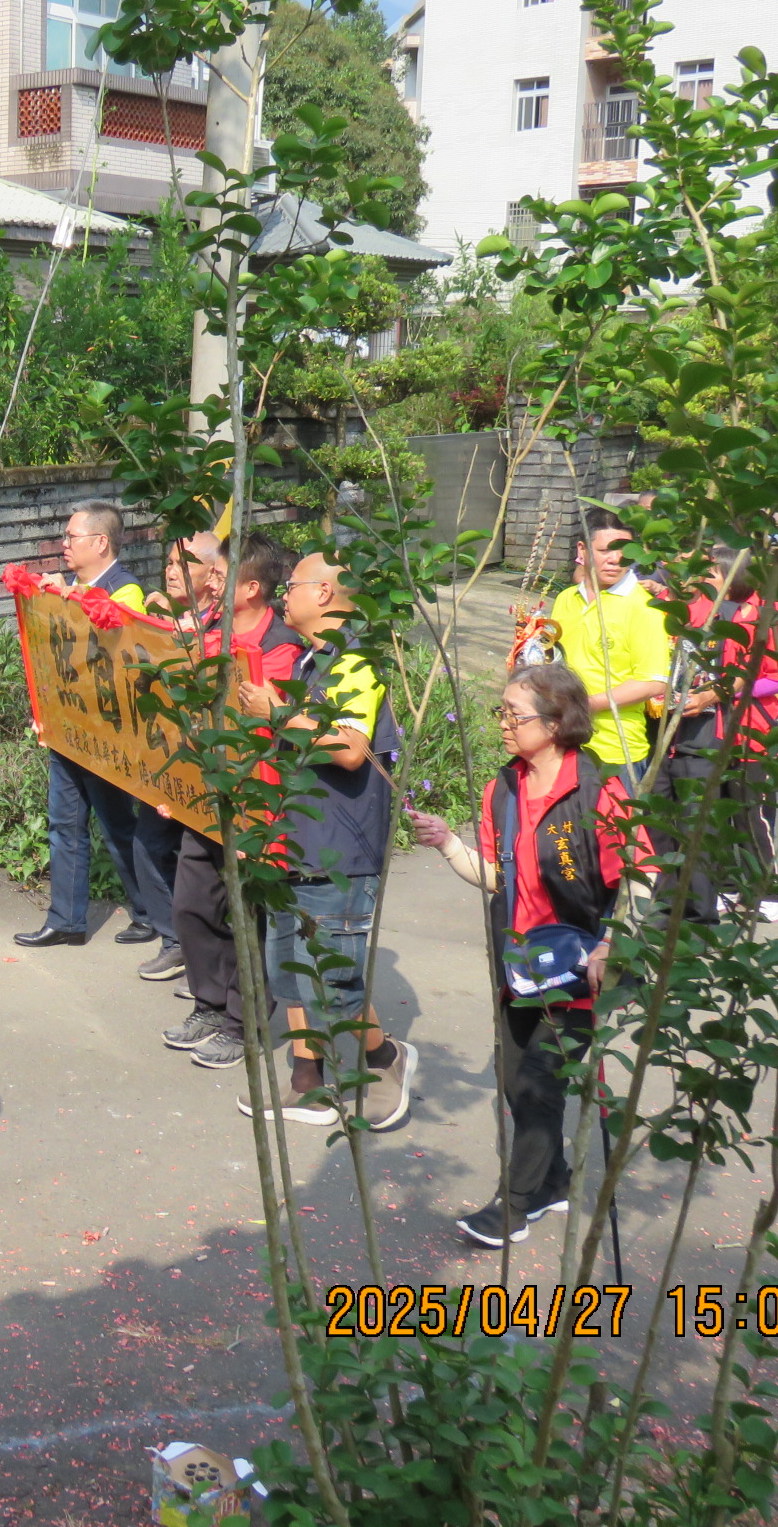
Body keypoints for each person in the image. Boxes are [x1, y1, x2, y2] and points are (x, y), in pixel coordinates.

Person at [406, 666, 647, 1248]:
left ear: (557, 723)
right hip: (520, 965)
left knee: (541, 1081)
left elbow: (642, 879)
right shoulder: (504, 788)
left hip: (582, 964)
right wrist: (448, 843)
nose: (504, 724)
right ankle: (552, 1182)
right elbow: (499, 878)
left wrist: (610, 945)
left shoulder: (599, 791)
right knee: (516, 1081)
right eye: (503, 712)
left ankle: (513, 1206)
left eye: (516, 715)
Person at [233, 554, 416, 1128]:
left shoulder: (357, 662)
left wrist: (277, 710)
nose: (283, 594)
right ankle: (306, 1079)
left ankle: (383, 1060)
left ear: (325, 593)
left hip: (338, 848)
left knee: (333, 980)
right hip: (292, 839)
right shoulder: (310, 660)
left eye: (292, 585)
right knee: (288, 968)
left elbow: (349, 749)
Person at [15, 503, 182, 977]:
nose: (64, 544)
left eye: (72, 537)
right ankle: (65, 920)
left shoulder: (125, 589)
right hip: (70, 725)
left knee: (116, 825)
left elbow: (117, 640)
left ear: (101, 542)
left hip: (108, 733)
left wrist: (71, 598)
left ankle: (148, 913)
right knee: (63, 822)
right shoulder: (74, 586)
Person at [163, 533, 305, 1068]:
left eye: (221, 576)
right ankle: (209, 1003)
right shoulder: (207, 633)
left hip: (256, 802)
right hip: (208, 794)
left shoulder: (282, 647)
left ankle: (244, 1024)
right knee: (193, 903)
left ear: (250, 589)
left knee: (248, 914)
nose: (211, 583)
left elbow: (270, 729)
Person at [658, 552, 778, 921]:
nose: (704, 580)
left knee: (751, 815)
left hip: (752, 733)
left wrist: (725, 692)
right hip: (714, 734)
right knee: (717, 815)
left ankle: (768, 889)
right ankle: (726, 885)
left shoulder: (768, 616)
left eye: (712, 574)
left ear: (735, 578)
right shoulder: (712, 613)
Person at [549, 507, 671, 787]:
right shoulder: (566, 599)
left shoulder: (644, 607)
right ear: (582, 550)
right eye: (605, 550)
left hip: (616, 753)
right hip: (561, 744)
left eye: (624, 551)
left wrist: (582, 707)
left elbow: (652, 682)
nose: (616, 559)